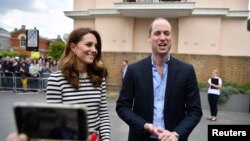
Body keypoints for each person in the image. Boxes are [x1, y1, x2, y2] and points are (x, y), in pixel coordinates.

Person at [116, 18, 202, 141]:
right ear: (149, 38)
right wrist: (144, 125)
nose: (162, 38)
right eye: (157, 33)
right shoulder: (134, 70)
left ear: (171, 38)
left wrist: (176, 134)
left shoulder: (186, 71)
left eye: (166, 33)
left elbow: (195, 111)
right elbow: (122, 106)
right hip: (141, 137)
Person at [46, 27, 110, 141]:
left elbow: (103, 114)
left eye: (96, 46)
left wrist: (106, 139)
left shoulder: (99, 78)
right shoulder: (56, 79)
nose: (94, 49)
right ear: (73, 47)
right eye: (89, 44)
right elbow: (53, 121)